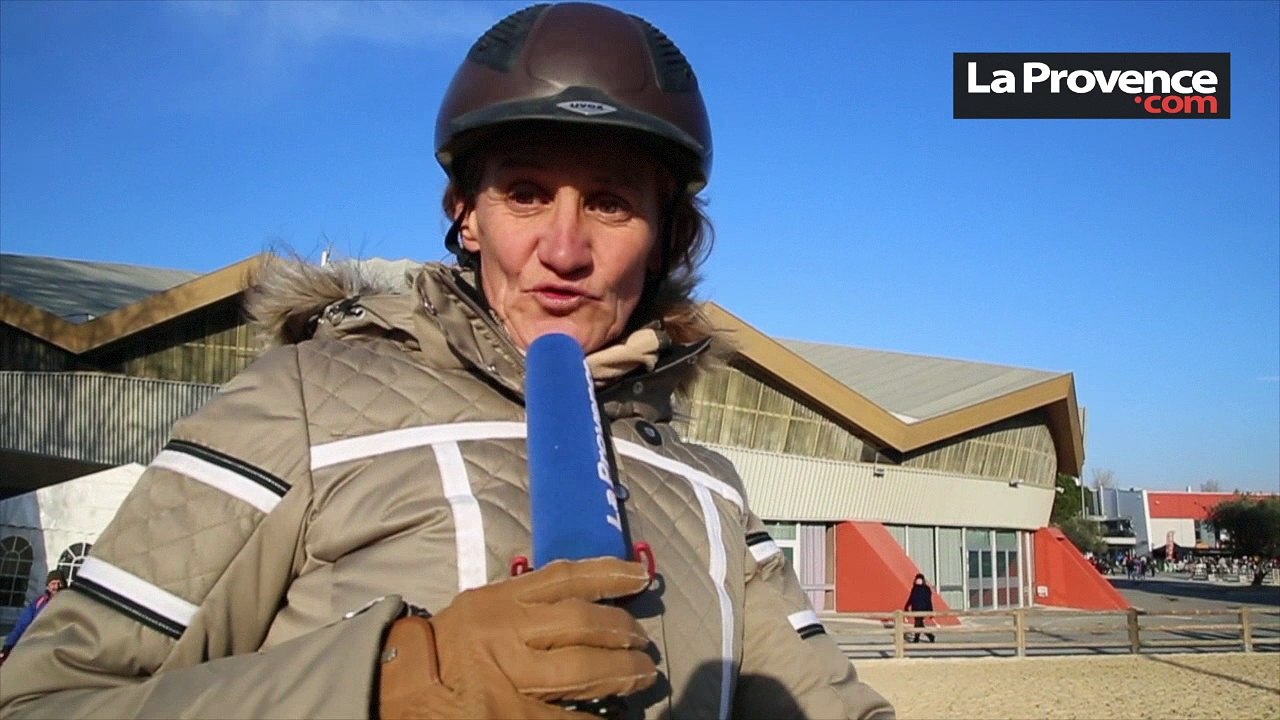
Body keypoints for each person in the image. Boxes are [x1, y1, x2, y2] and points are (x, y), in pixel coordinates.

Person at [0, 4, 893, 719]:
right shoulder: (304, 402)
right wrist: (397, 684)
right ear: (467, 215)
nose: (564, 247)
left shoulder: (710, 486)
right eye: (525, 193)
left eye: (613, 205)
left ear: (662, 241)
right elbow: (47, 699)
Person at [0, 570, 66, 665]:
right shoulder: (39, 603)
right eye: (53, 583)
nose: (56, 587)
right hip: (35, 644)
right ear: (48, 585)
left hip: (56, 649)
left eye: (60, 583)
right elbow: (22, 625)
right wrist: (8, 645)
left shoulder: (69, 604)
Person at [902, 573, 935, 644]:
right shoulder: (914, 589)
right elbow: (910, 599)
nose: (918, 581)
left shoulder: (926, 589)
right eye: (917, 580)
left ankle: (916, 638)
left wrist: (931, 611)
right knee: (920, 624)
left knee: (918, 623)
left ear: (922, 580)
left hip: (923, 609)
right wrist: (906, 606)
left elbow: (928, 601)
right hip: (915, 609)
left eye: (920, 580)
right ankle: (930, 636)